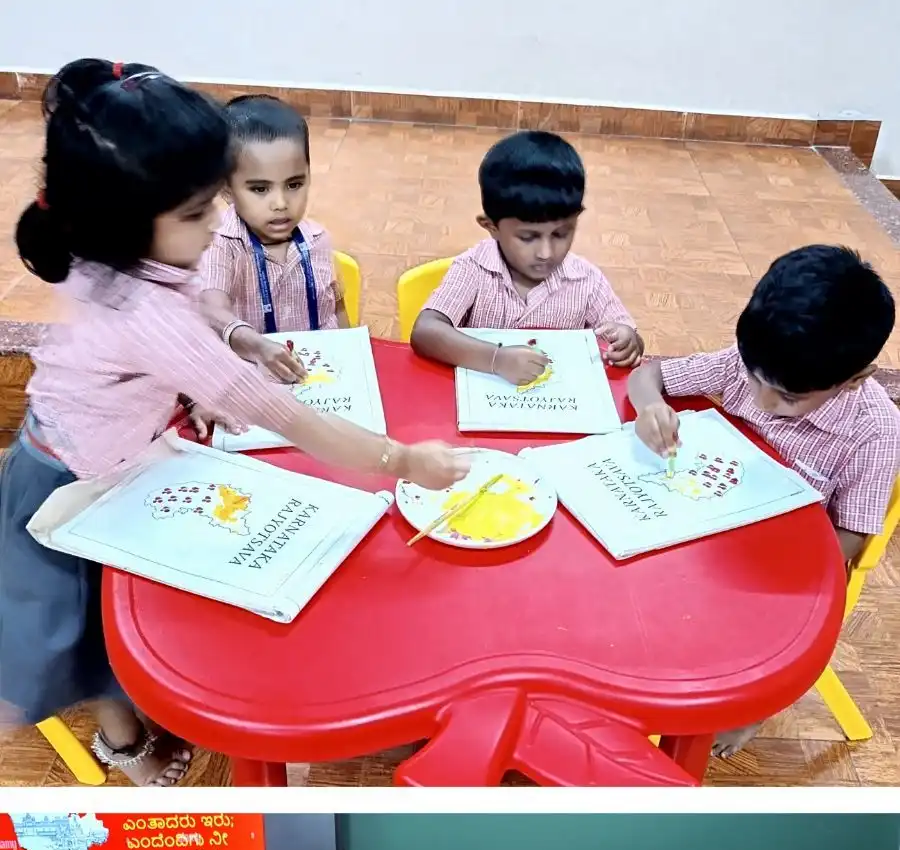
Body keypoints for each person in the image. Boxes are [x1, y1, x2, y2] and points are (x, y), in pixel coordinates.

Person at [0, 60, 465, 785]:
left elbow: (201, 330)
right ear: (125, 218)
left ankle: (129, 717)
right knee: (88, 632)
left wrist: (230, 348)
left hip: (114, 458)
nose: (218, 221)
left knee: (116, 617)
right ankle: (123, 743)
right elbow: (278, 413)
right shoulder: (145, 310)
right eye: (196, 213)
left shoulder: (113, 251)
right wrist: (404, 460)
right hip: (71, 482)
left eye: (213, 202)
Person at [627, 244, 900, 755]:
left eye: (789, 398)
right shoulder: (750, 362)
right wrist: (649, 407)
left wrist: (767, 557)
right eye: (755, 380)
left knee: (734, 643)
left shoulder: (876, 430)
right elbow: (650, 376)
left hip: (785, 573)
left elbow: (853, 536)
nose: (761, 401)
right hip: (704, 525)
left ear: (854, 378)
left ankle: (755, 705)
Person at [410, 130, 643, 381]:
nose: (546, 253)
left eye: (561, 234)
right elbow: (425, 331)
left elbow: (630, 336)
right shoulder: (473, 269)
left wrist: (629, 341)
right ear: (492, 227)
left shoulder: (587, 280)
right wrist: (496, 360)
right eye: (528, 237)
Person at [199, 95, 344, 381]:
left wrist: (351, 358)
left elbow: (336, 311)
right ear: (227, 190)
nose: (280, 203)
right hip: (250, 384)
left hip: (317, 381)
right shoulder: (220, 245)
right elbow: (210, 308)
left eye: (294, 184)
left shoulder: (318, 241)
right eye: (260, 189)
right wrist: (256, 345)